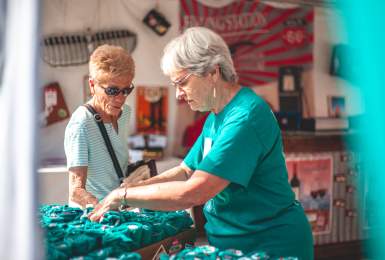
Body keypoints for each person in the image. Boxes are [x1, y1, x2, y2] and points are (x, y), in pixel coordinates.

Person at [89, 27, 313, 259]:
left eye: (182, 82)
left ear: (212, 72)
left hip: (268, 244)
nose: (178, 95)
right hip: (230, 242)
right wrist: (132, 188)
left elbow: (193, 192)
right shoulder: (216, 115)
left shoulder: (245, 117)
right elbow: (187, 171)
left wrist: (122, 197)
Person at [64, 44, 135, 208]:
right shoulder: (81, 123)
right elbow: (76, 191)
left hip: (121, 208)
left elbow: (117, 159)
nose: (121, 98)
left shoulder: (125, 113)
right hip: (93, 216)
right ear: (92, 85)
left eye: (126, 90)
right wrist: (104, 208)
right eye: (112, 91)